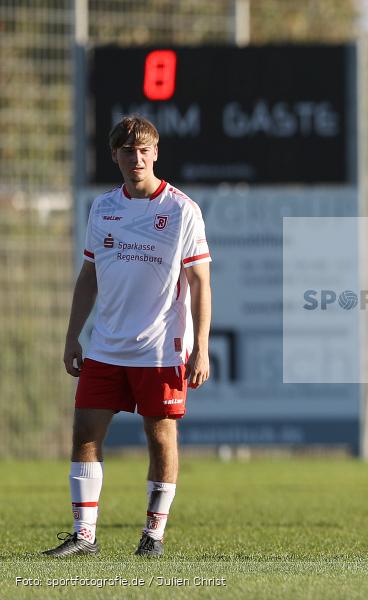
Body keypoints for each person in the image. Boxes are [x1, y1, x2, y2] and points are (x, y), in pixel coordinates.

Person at [42, 115, 212, 558]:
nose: (135, 158)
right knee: (85, 433)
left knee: (160, 438)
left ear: (155, 153)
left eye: (143, 150)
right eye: (126, 151)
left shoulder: (181, 209)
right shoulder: (102, 208)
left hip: (160, 347)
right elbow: (89, 275)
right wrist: (72, 336)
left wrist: (202, 349)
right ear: (114, 155)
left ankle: (153, 535)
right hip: (105, 346)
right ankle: (84, 536)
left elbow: (199, 282)